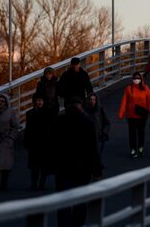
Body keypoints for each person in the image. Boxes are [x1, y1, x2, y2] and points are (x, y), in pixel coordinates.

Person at [53, 96, 101, 227]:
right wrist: (97, 170)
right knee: (80, 202)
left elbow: (52, 145)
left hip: (63, 168)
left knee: (63, 203)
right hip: (82, 168)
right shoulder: (88, 123)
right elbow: (93, 149)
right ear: (81, 106)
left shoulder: (59, 121)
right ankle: (78, 225)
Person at [119, 72, 150, 158]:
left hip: (142, 115)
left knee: (141, 132)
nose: (136, 79)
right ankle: (133, 149)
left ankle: (140, 147)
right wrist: (121, 114)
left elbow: (149, 103)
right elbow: (124, 102)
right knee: (132, 133)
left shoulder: (146, 88)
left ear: (141, 79)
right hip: (131, 115)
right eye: (135, 78)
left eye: (138, 78)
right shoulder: (128, 89)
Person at [24, 93, 53, 190]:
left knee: (44, 165)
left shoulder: (49, 112)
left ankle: (42, 183)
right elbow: (28, 129)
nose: (40, 102)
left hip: (45, 142)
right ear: (35, 102)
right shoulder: (30, 113)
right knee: (34, 166)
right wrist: (26, 141)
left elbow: (51, 128)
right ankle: (34, 183)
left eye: (41, 100)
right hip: (34, 142)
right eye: (38, 100)